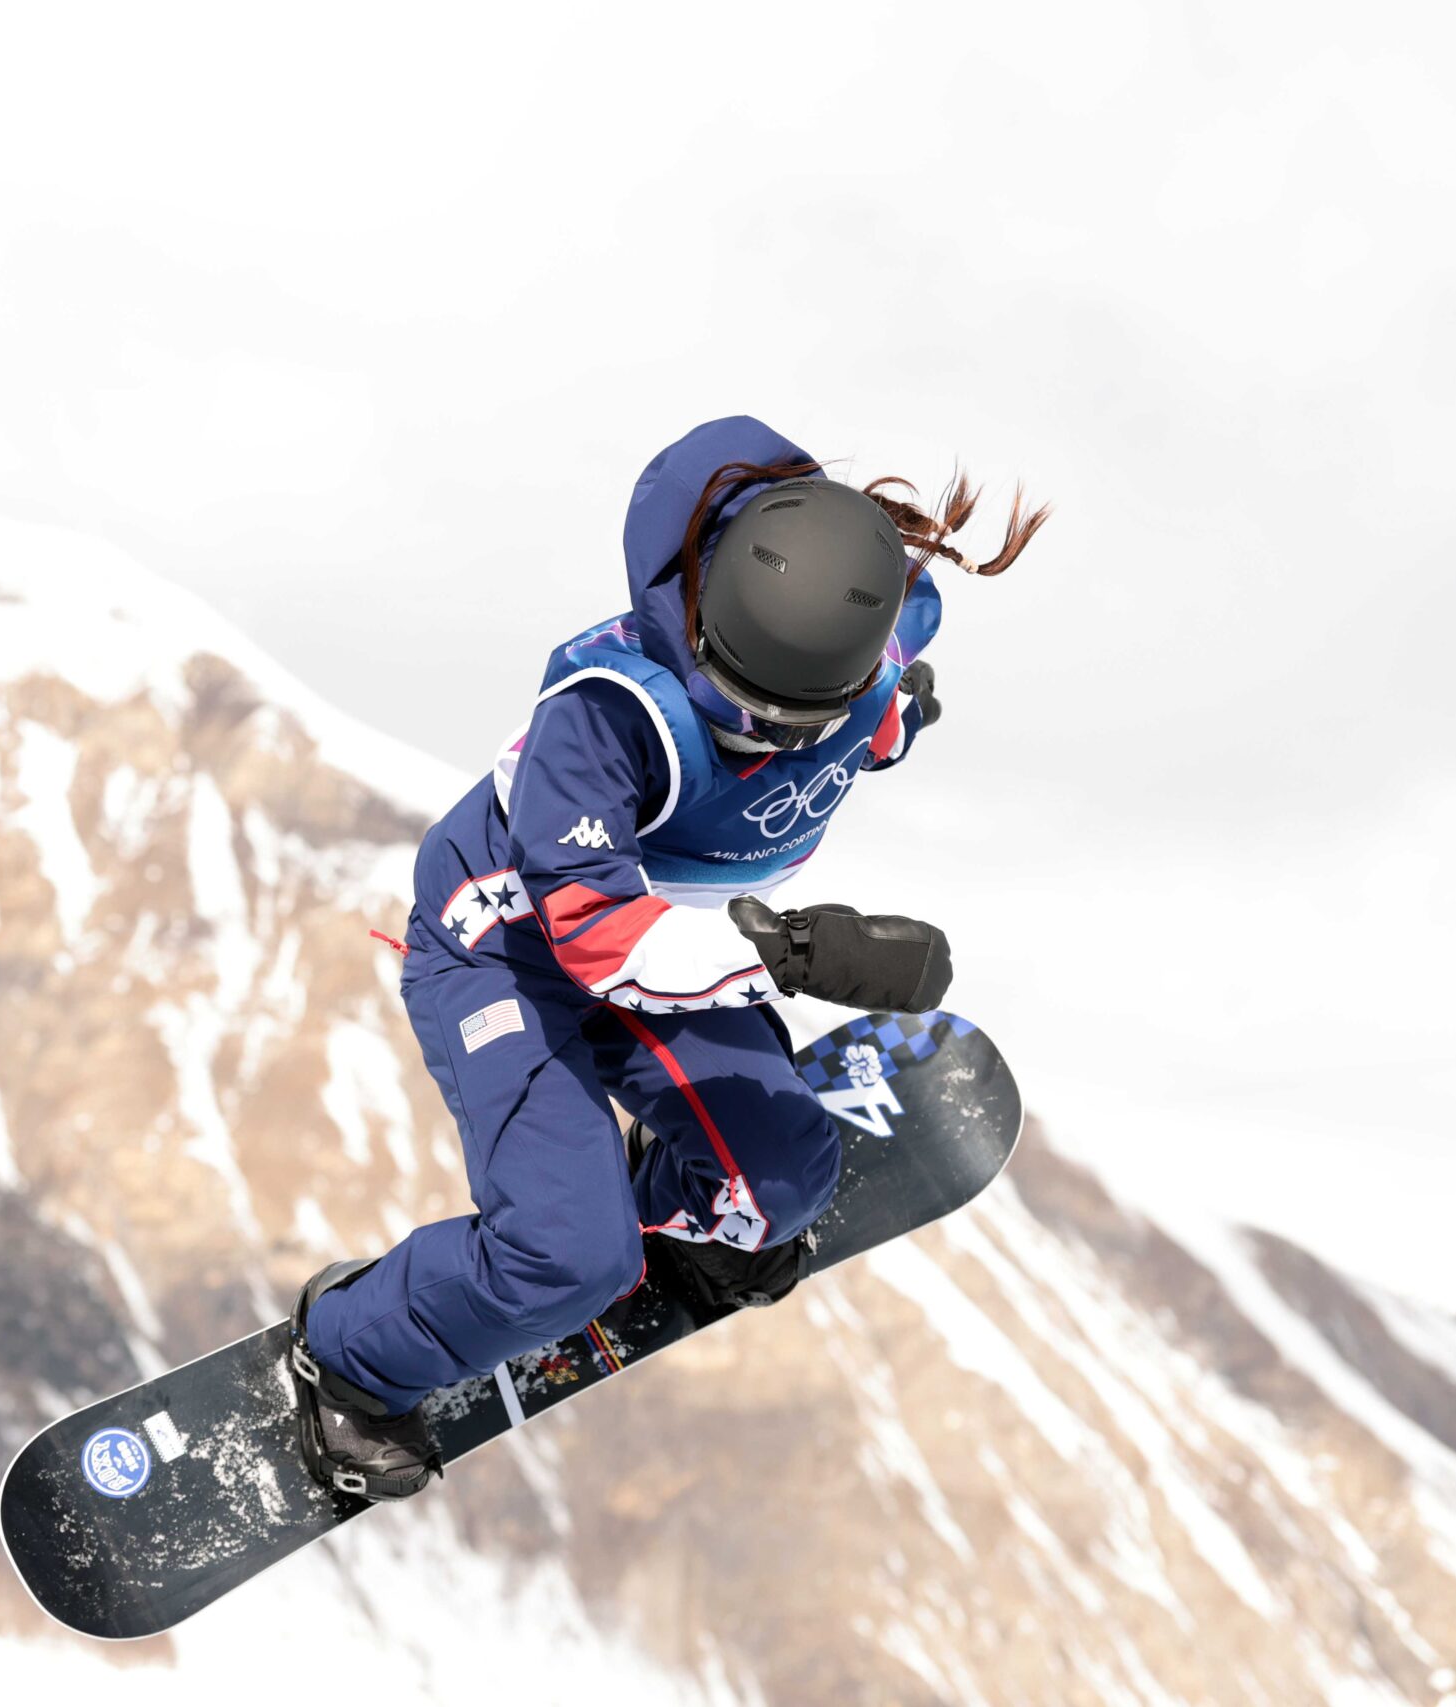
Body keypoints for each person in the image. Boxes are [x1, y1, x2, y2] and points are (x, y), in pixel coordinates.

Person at [287, 414, 1049, 1499]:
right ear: (698, 635)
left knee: (782, 1186)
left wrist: (896, 723)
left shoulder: (865, 663)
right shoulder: (604, 719)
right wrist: (794, 952)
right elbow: (596, 938)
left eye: (796, 722)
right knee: (567, 1258)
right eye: (740, 711)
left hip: (674, 946)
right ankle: (353, 1359)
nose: (764, 741)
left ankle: (662, 1199)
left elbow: (876, 716)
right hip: (508, 953)